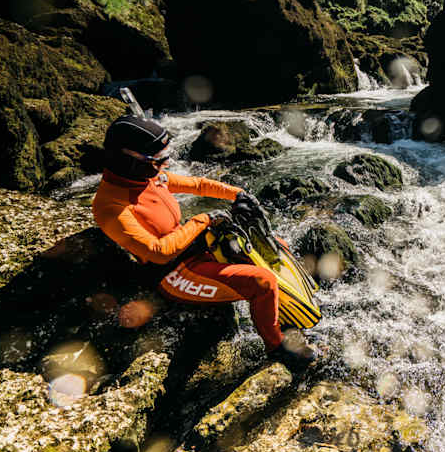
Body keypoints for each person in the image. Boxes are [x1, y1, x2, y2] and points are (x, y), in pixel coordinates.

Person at [91, 113, 315, 366]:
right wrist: (205, 219)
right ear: (129, 160)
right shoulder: (111, 205)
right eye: (160, 159)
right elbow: (158, 251)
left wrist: (239, 194)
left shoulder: (148, 176)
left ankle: (288, 316)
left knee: (275, 248)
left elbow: (197, 185)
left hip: (194, 247)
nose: (166, 164)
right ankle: (276, 347)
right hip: (173, 272)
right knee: (262, 282)